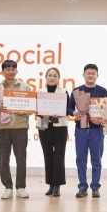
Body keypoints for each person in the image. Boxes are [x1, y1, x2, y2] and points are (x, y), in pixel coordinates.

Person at [68, 64, 107, 198]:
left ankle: (95, 186)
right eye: (88, 73)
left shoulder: (103, 91)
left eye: (93, 73)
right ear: (83, 75)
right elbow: (68, 109)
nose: (90, 75)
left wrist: (102, 120)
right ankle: (82, 187)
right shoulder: (77, 90)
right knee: (81, 159)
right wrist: (75, 113)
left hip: (97, 130)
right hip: (81, 129)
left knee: (96, 159)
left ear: (97, 75)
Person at [0, 60, 33, 200]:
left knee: (21, 159)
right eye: (7, 69)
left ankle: (21, 187)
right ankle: (7, 187)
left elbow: (32, 107)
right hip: (2, 128)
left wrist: (25, 111)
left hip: (20, 127)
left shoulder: (25, 86)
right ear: (2, 71)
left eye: (13, 69)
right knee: (3, 159)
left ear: (16, 71)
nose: (10, 71)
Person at [36, 67, 69, 197]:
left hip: (60, 127)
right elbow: (36, 108)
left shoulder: (64, 91)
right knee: (48, 155)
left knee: (59, 156)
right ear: (46, 77)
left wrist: (58, 112)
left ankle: (57, 186)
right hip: (44, 128)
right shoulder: (40, 92)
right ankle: (50, 184)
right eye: (50, 75)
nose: (52, 77)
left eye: (55, 75)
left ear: (58, 78)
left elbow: (67, 109)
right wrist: (43, 114)